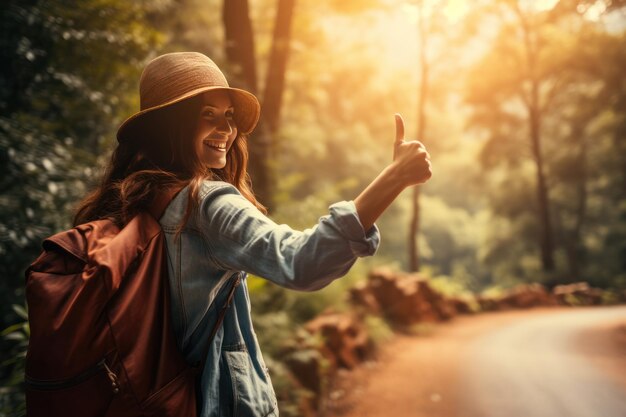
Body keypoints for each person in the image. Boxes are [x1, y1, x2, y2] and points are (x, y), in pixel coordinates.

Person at [73, 52, 432, 417]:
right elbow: (301, 262)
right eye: (206, 115)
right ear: (170, 126)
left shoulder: (128, 201)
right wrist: (394, 179)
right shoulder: (205, 204)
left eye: (228, 116)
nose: (226, 130)